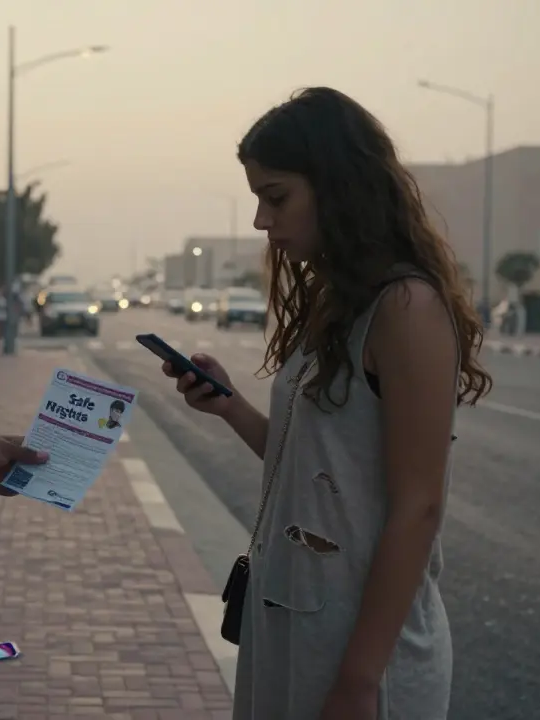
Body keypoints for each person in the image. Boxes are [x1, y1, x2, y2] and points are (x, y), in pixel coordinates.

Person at [161, 87, 492, 720]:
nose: (263, 221)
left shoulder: (407, 309)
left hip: (362, 649)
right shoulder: (337, 305)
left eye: (276, 197)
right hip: (289, 618)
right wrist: (228, 407)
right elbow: (310, 467)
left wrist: (360, 681)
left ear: (339, 186)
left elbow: (418, 507)